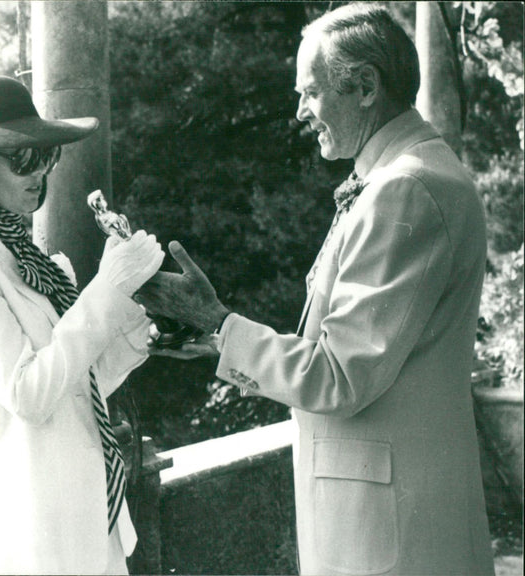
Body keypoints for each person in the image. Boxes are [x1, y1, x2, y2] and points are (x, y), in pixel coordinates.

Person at [135, 4, 495, 575]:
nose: (301, 111)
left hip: (390, 539)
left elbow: (341, 377)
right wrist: (218, 344)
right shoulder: (412, 175)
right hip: (401, 522)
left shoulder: (403, 189)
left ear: (366, 86)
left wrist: (219, 322)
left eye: (310, 92)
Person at [0, 75, 164, 575]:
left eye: (46, 156)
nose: (39, 171)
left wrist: (139, 329)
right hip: (25, 542)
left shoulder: (40, 264)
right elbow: (29, 393)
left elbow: (80, 387)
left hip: (90, 525)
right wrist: (106, 289)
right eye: (21, 158)